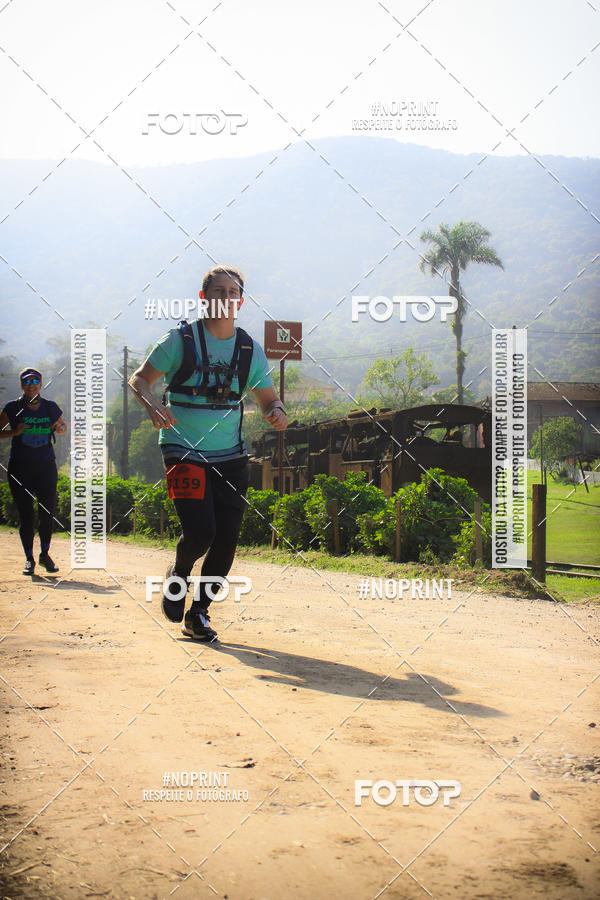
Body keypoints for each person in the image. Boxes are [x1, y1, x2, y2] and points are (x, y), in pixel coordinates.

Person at [129, 265, 287, 642]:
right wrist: (152, 405)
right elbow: (139, 380)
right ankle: (179, 573)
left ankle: (198, 613)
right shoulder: (179, 341)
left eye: (233, 292)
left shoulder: (249, 349)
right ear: (204, 298)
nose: (226, 298)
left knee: (227, 539)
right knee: (200, 533)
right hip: (181, 449)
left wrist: (275, 412)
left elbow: (268, 399)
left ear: (241, 301)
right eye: (219, 291)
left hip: (230, 455)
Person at [0, 367, 68, 575]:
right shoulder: (12, 407)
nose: (31, 385)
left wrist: (60, 428)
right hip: (20, 466)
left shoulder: (49, 407)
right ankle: (29, 559)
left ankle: (45, 555)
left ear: (40, 384)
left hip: (46, 465)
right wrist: (15, 432)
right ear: (22, 385)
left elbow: (62, 426)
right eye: (27, 382)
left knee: (47, 512)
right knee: (26, 514)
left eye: (35, 381)